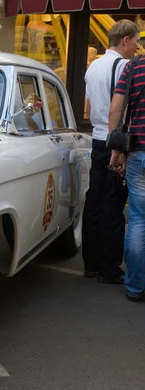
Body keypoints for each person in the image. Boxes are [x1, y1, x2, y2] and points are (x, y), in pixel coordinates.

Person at [82, 20, 140, 284]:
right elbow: (119, 108)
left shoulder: (93, 66)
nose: (138, 46)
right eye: (137, 40)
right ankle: (109, 267)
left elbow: (90, 105)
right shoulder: (124, 66)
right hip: (114, 140)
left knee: (94, 201)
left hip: (97, 139)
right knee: (114, 205)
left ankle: (91, 263)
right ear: (125, 40)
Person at [110, 51, 145, 302]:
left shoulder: (133, 67)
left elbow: (116, 110)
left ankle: (135, 287)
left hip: (139, 152)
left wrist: (116, 150)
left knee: (138, 219)